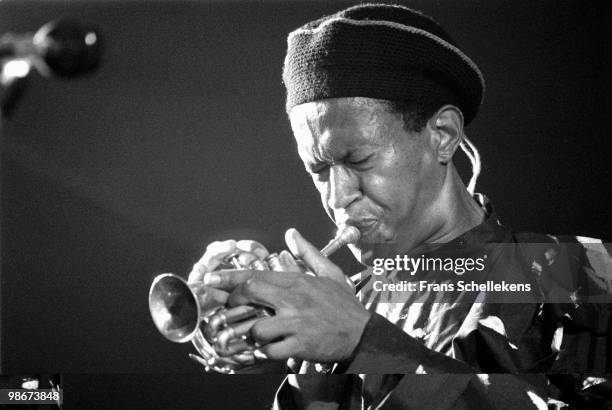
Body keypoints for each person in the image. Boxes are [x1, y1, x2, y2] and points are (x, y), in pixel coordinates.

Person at [188, 4, 611, 408]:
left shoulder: (579, 271)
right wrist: (249, 337)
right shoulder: (340, 303)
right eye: (319, 169)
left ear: (442, 135)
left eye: (359, 160)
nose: (337, 198)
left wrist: (363, 342)